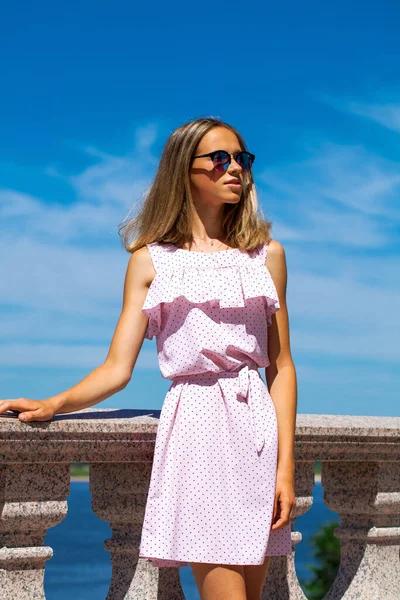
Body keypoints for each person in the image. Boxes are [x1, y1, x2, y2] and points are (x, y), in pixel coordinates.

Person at [0, 116, 297, 600]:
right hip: (198, 430)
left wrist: (286, 468)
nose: (234, 169)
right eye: (219, 159)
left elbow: (281, 368)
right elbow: (117, 369)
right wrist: (54, 403)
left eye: (241, 159)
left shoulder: (266, 256)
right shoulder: (151, 260)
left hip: (258, 435)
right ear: (183, 170)